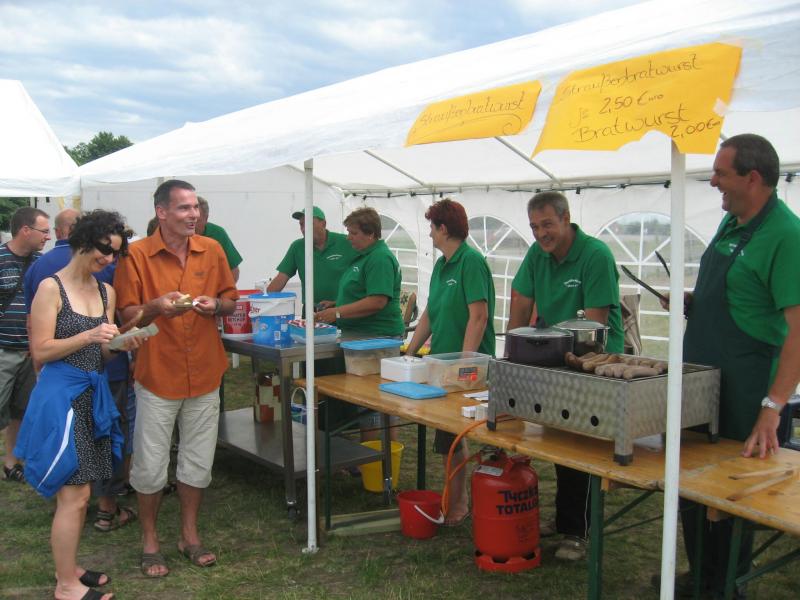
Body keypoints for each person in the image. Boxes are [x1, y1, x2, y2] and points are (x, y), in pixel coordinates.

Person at [665, 134, 800, 598]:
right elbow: (738, 293)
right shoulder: (731, 219)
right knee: (688, 484)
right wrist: (694, 300)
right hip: (700, 376)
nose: (712, 181)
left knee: (730, 494)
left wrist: (772, 407)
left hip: (745, 386)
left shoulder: (787, 236)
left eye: (721, 173)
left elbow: (798, 332)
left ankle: (724, 588)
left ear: (753, 178)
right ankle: (701, 575)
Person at [114, 179, 238, 578]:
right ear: (161, 212)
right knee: (150, 465)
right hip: (158, 375)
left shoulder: (211, 249)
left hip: (205, 371)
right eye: (184, 208)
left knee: (198, 462)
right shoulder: (136, 255)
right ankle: (150, 543)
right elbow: (126, 317)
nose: (193, 214)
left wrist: (215, 304)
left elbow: (230, 299)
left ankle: (189, 536)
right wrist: (155, 306)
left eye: (195, 207)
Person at [16, 209, 142, 600]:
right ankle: (66, 585)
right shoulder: (51, 288)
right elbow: (41, 351)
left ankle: (69, 569)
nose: (109, 259)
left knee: (82, 495)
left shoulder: (106, 292)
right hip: (61, 399)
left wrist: (120, 344)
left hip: (93, 396)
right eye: (105, 250)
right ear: (83, 242)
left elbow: (101, 353)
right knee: (74, 496)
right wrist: (88, 336)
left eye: (115, 253)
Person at [507, 191, 623, 561]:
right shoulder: (536, 255)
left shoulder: (595, 255)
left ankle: (578, 532)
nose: (541, 234)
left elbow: (594, 326)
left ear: (566, 218)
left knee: (581, 446)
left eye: (547, 225)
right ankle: (565, 519)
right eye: (534, 227)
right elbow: (520, 303)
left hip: (593, 361)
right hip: (554, 358)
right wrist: (512, 355)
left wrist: (560, 359)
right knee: (559, 443)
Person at [405, 199, 495, 525]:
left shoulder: (471, 262)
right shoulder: (442, 265)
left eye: (431, 227)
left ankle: (462, 504)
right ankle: (459, 500)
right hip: (443, 366)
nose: (429, 234)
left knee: (463, 437)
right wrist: (410, 353)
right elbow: (429, 314)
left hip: (468, 369)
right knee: (448, 437)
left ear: (443, 229)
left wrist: (465, 364)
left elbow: (479, 316)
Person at [315, 207, 405, 440]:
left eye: (353, 233)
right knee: (366, 400)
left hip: (377, 338)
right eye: (349, 232)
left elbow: (377, 300)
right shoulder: (365, 256)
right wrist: (337, 303)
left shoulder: (379, 258)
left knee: (374, 402)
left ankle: (378, 453)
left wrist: (338, 312)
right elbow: (363, 292)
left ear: (371, 233)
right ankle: (371, 452)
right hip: (362, 338)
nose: (349, 238)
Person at [0, 206, 50, 483]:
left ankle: (11, 464)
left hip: (31, 350)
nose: (48, 236)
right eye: (44, 231)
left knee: (20, 410)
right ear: (25, 230)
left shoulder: (41, 263)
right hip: (3, 349)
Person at [267, 205, 356, 315]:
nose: (304, 229)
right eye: (301, 224)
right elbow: (281, 278)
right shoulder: (297, 247)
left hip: (342, 310)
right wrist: (263, 301)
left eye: (309, 224)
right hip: (311, 312)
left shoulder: (346, 242)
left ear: (323, 224)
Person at [196, 196, 242, 282]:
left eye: (196, 220)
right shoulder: (178, 234)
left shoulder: (218, 233)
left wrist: (226, 289)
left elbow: (233, 270)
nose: (191, 224)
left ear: (206, 218)